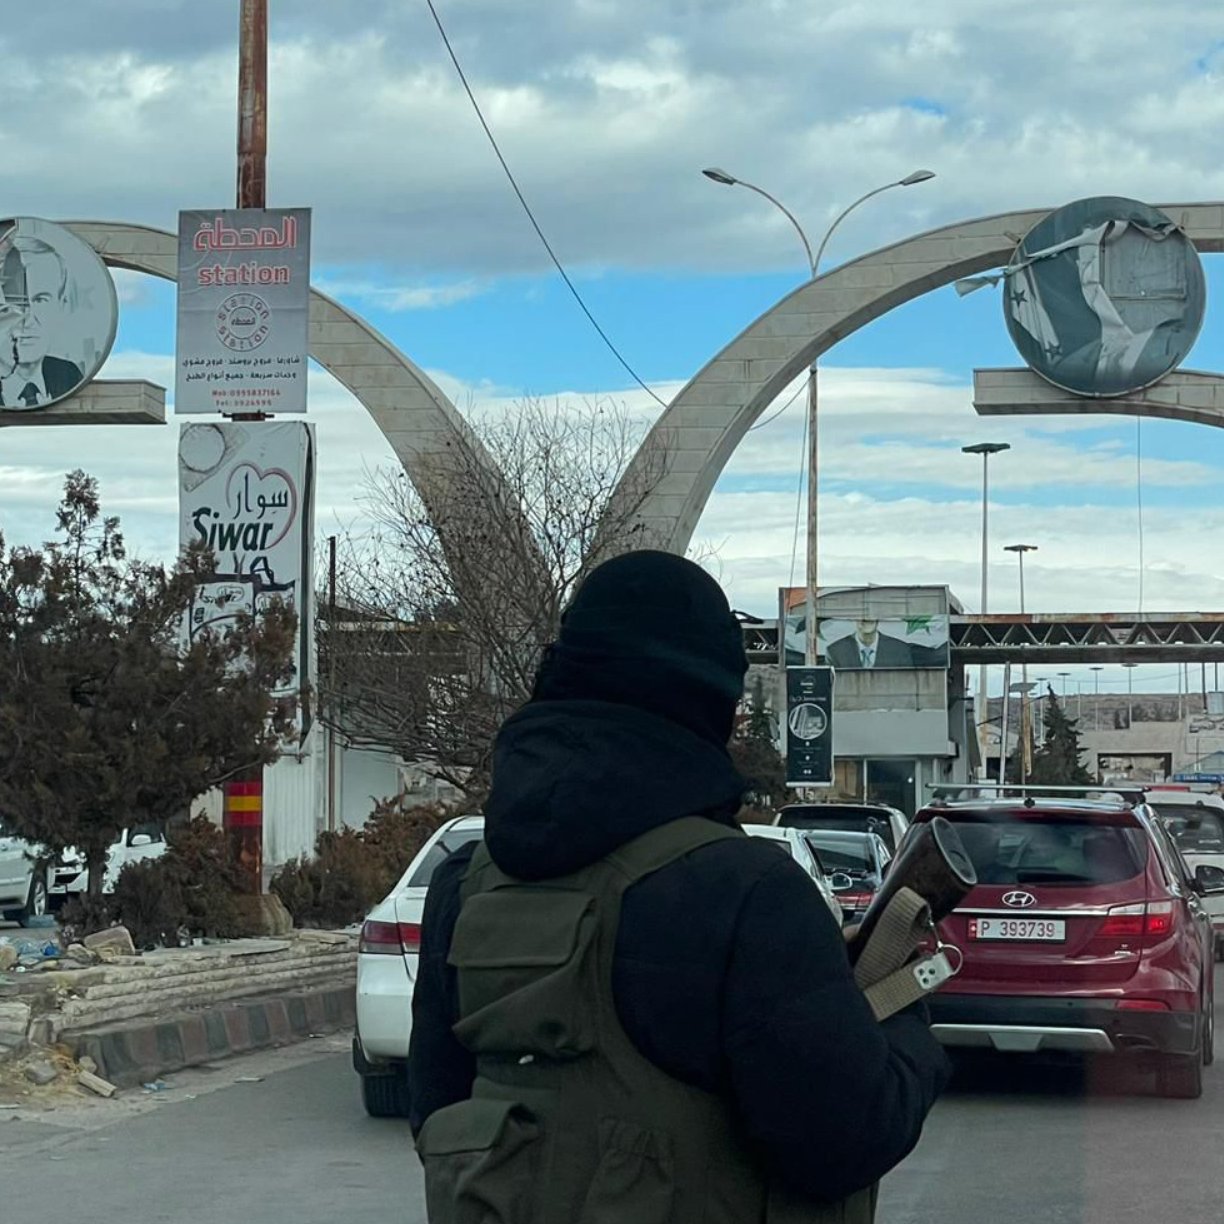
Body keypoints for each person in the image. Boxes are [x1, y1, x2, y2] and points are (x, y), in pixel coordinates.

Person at [408, 550, 949, 1220]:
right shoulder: (750, 895)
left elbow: (437, 1118)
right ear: (711, 702)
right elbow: (845, 1139)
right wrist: (901, 1008)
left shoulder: (464, 886)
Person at [0, 235, 83, 409]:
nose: (27, 320)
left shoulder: (70, 376)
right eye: (14, 302)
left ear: (61, 305)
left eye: (41, 300)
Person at [825, 617, 940, 669]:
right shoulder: (835, 651)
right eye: (861, 613)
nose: (866, 618)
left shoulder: (900, 650)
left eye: (871, 613)